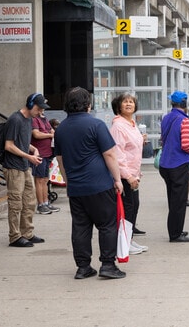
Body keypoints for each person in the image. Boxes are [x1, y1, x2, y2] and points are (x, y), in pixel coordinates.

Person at [54, 86, 126, 279]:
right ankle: (108, 265)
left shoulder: (60, 129)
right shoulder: (96, 125)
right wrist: (118, 179)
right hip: (99, 184)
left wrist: (69, 181)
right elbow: (109, 153)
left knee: (80, 227)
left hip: (76, 187)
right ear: (88, 104)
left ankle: (83, 266)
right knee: (107, 225)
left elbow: (60, 160)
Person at [3, 93, 47, 248]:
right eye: (39, 108)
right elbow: (9, 145)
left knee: (29, 200)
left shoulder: (29, 120)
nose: (40, 112)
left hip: (25, 165)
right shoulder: (15, 119)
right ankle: (14, 236)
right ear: (30, 104)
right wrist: (29, 157)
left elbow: (23, 142)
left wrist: (33, 149)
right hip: (14, 167)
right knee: (16, 203)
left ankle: (27, 232)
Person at [110, 93, 148, 255]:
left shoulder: (131, 124)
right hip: (125, 176)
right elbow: (118, 154)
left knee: (133, 207)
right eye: (125, 102)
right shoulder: (118, 126)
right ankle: (124, 242)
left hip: (134, 174)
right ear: (118, 107)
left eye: (131, 102)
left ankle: (129, 240)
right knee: (127, 209)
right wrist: (129, 176)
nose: (128, 104)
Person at [159, 90, 189, 243]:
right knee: (179, 201)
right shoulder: (185, 121)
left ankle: (175, 229)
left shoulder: (166, 118)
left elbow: (163, 139)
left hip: (165, 164)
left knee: (172, 199)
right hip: (179, 164)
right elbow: (185, 145)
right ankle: (175, 234)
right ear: (185, 104)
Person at [31, 107, 59, 215]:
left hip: (48, 153)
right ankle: (41, 204)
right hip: (40, 154)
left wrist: (53, 133)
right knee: (39, 179)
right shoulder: (34, 120)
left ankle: (46, 202)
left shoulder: (44, 119)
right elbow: (36, 134)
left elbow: (52, 130)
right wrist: (50, 135)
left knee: (45, 179)